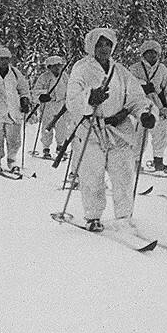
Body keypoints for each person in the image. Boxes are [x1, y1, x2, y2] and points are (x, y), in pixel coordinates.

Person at [66, 28, 155, 232]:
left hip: (118, 129)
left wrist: (145, 114)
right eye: (99, 44)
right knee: (92, 175)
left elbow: (137, 98)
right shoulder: (81, 69)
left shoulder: (121, 71)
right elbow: (72, 101)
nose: (104, 48)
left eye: (107, 44)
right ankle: (93, 216)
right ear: (91, 46)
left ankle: (124, 215)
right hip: (90, 129)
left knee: (123, 174)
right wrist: (89, 98)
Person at [128, 40, 167, 173]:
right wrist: (142, 86)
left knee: (162, 132)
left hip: (157, 105)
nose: (152, 56)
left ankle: (158, 161)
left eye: (154, 53)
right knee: (138, 134)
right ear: (143, 54)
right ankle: (135, 162)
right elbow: (129, 85)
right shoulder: (135, 68)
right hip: (140, 105)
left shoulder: (161, 69)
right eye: (148, 53)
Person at [33, 55, 70, 159]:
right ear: (49, 67)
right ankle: (46, 148)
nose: (57, 68)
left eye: (59, 65)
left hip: (61, 105)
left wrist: (69, 102)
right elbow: (36, 92)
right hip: (48, 106)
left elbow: (70, 90)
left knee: (61, 128)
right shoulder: (44, 77)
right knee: (46, 127)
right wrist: (41, 97)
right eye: (54, 66)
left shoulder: (65, 77)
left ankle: (60, 147)